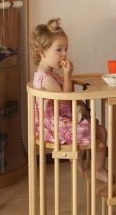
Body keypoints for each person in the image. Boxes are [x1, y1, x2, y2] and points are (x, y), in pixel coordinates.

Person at [31, 18, 109, 182]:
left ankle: (95, 167)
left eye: (66, 49)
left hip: (62, 118)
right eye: (59, 50)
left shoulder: (50, 73)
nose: (64, 54)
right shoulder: (46, 78)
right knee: (94, 130)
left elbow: (67, 96)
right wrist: (67, 75)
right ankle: (84, 164)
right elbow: (66, 100)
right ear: (42, 53)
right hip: (53, 126)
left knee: (99, 129)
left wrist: (66, 77)